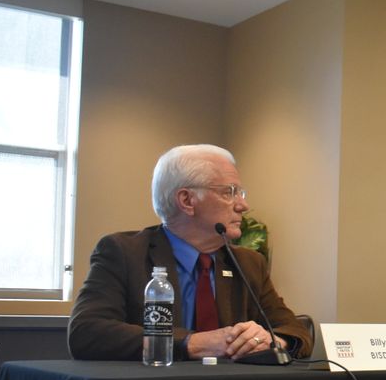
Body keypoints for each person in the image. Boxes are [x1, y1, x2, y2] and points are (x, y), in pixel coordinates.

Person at [68, 144, 311, 361]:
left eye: (240, 193)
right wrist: (192, 343)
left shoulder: (248, 263)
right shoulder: (124, 252)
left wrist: (273, 341)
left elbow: (295, 330)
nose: (243, 205)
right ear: (186, 200)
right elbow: (87, 332)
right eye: (229, 192)